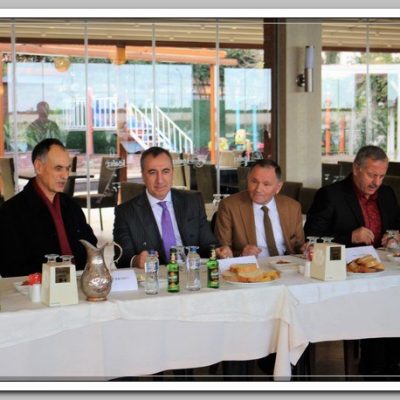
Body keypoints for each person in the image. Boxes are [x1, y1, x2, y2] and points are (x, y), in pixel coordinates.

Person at [304, 145, 400, 377]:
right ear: (356, 169)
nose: (377, 182)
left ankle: (392, 368)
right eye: (371, 175)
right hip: (347, 277)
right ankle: (376, 372)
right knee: (378, 308)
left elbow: (395, 228)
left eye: (381, 176)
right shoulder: (331, 195)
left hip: (383, 272)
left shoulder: (387, 194)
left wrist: (394, 237)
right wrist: (350, 237)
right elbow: (311, 237)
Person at [113, 146, 232, 269]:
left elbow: (209, 244)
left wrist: (219, 251)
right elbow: (121, 259)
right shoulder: (126, 212)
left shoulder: (192, 202)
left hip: (191, 273)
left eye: (165, 171)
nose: (160, 180)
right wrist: (136, 260)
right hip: (155, 276)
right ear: (143, 175)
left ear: (172, 172)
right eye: (152, 172)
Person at [0, 138, 97, 277]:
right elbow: (10, 268)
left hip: (79, 284)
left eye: (67, 169)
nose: (65, 176)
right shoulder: (11, 212)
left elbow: (91, 247)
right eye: (58, 168)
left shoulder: (71, 206)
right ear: (39, 167)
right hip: (35, 288)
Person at [214, 158, 305, 258]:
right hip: (250, 265)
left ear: (278, 187)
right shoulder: (229, 206)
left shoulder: (292, 207)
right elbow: (222, 250)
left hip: (286, 265)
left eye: (266, 184)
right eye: (254, 181)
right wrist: (241, 254)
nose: (258, 189)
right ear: (247, 180)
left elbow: (299, 247)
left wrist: (307, 249)